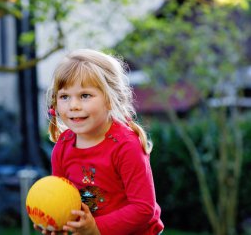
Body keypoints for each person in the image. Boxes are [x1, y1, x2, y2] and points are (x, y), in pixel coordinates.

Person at [35, 49, 164, 235]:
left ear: (110, 99)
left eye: (85, 95)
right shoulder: (63, 146)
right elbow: (63, 200)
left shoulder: (126, 145)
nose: (73, 106)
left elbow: (143, 209)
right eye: (64, 96)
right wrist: (57, 222)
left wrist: (96, 228)